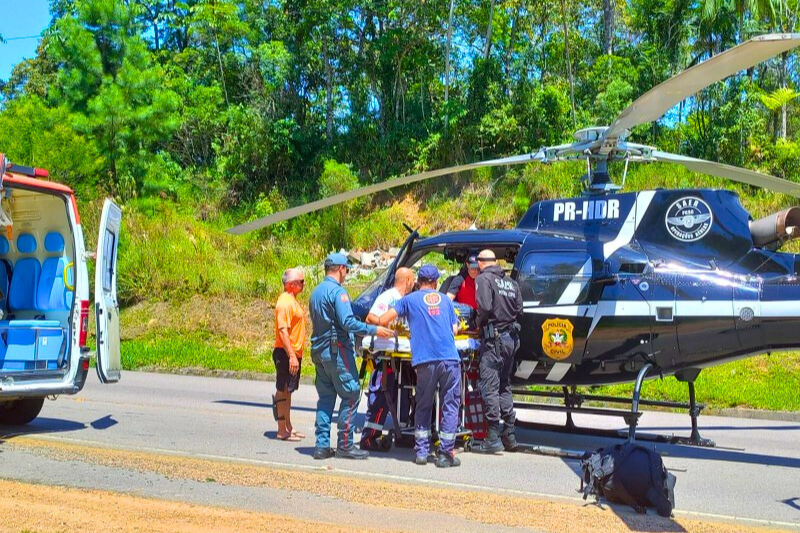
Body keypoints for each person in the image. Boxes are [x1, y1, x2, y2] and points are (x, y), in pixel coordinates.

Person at [309, 252, 394, 460]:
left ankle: (321, 445)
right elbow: (347, 322)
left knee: (326, 398)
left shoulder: (316, 292)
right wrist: (374, 330)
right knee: (351, 393)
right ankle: (345, 445)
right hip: (337, 350)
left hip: (319, 351)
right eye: (346, 269)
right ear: (340, 269)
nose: (346, 273)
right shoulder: (339, 293)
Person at [378, 265, 462, 468]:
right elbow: (455, 329)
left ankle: (422, 452)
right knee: (450, 405)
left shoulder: (408, 300)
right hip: (449, 359)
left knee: (423, 404)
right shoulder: (445, 300)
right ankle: (445, 453)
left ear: (418, 281)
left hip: (425, 361)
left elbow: (383, 319)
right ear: (436, 282)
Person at [360, 267, 416, 451]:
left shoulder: (404, 299)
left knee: (400, 395)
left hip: (399, 355)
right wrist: (382, 326)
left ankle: (401, 432)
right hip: (385, 356)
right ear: (408, 280)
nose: (414, 283)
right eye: (413, 279)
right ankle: (369, 438)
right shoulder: (389, 297)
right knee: (381, 396)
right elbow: (370, 317)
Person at [474, 249, 523, 454]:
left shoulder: (484, 279)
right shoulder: (511, 283)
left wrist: (476, 323)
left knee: (490, 387)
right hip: (511, 340)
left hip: (493, 341)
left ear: (480, 263)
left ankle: (493, 436)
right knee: (504, 385)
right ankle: (509, 433)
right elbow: (520, 310)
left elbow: (484, 307)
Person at [272, 267, 306, 442]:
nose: (303, 284)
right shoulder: (284, 302)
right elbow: (283, 331)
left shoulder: (292, 300)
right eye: (301, 281)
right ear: (291, 284)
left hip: (293, 353)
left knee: (289, 391)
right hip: (286, 352)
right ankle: (281, 430)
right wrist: (291, 355)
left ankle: (288, 427)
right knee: (283, 389)